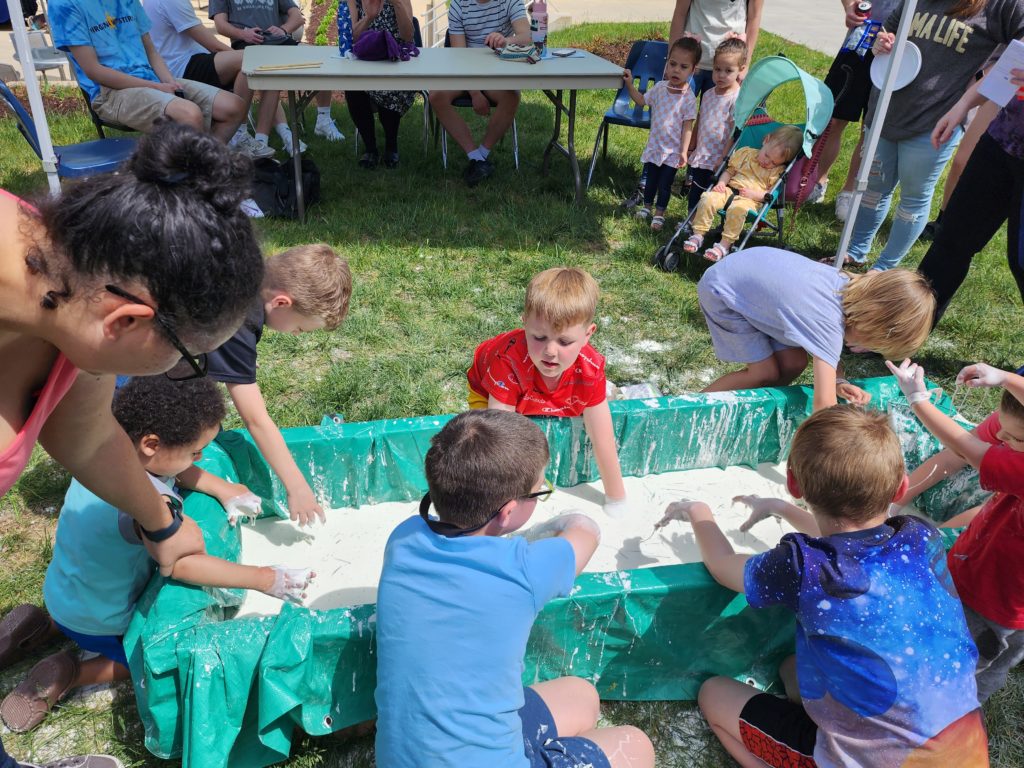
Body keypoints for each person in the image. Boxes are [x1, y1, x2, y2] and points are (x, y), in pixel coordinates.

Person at [0, 121, 264, 768]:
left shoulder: (70, 287)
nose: (181, 377)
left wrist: (161, 519)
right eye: (189, 360)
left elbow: (84, 431)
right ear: (128, 321)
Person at [660, 405, 987, 767]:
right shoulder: (919, 536)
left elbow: (723, 567)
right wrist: (782, 509)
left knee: (714, 694)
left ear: (793, 481)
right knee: (790, 668)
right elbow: (852, 543)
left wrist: (698, 512)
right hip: (963, 751)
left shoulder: (801, 564)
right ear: (902, 486)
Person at [0, 375, 313, 733]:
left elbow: (175, 469)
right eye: (196, 451)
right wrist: (265, 578)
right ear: (152, 444)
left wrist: (224, 488)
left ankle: (42, 627)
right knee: (138, 660)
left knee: (85, 595)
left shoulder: (105, 452)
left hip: (62, 591)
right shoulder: (148, 505)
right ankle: (72, 672)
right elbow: (179, 565)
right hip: (102, 619)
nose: (200, 458)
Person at [374, 409, 655, 768]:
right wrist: (562, 522)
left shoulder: (404, 537)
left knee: (582, 696)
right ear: (507, 513)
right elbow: (586, 533)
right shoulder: (524, 567)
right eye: (540, 489)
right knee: (635, 744)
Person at [839, 0, 1024, 270]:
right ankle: (855, 252)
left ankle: (883, 270)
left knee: (913, 197)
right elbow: (887, 31)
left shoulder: (1002, 5)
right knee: (872, 189)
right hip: (886, 108)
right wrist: (882, 43)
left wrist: (976, 92)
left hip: (936, 120)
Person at [887, 358, 1024, 703]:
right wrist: (1006, 378)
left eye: (1015, 439)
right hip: (985, 567)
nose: (1001, 440)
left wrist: (918, 400)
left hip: (997, 603)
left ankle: (946, 709)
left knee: (967, 661)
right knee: (973, 652)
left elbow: (968, 449)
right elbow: (957, 455)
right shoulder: (1016, 426)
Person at [207, 244, 351, 527]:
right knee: (200, 430)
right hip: (137, 368)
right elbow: (255, 419)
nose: (297, 335)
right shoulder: (239, 319)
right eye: (300, 328)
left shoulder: (245, 269)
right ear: (282, 302)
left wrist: (231, 360)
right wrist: (297, 487)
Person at [466, 267, 629, 517]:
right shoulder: (507, 363)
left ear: (588, 334)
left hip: (545, 389)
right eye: (539, 337)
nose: (550, 351)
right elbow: (501, 439)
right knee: (480, 439)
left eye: (564, 342)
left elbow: (602, 436)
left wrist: (616, 497)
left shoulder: (590, 368)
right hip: (493, 386)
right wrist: (509, 500)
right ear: (524, 324)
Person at [697, 247, 935, 411]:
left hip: (751, 277)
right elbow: (823, 406)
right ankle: (686, 405)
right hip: (725, 291)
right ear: (873, 321)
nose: (864, 349)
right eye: (872, 344)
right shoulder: (827, 321)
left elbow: (828, 356)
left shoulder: (847, 289)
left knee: (794, 362)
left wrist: (839, 381)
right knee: (763, 373)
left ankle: (762, 403)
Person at [49, 0, 246, 142]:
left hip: (152, 80)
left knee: (234, 107)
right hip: (109, 92)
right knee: (189, 115)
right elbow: (94, 71)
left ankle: (202, 168)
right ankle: (197, 184)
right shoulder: (64, 4)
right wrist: (156, 86)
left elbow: (151, 50)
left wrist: (169, 82)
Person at [918, 67, 1024, 322]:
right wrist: (964, 104)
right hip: (1000, 142)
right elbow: (1012, 64)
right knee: (951, 240)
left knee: (1021, 261)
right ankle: (905, 329)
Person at [142, 0, 274, 157]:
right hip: (179, 68)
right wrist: (239, 58)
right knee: (248, 60)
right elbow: (214, 46)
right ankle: (238, 136)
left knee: (248, 62)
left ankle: (244, 137)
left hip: (178, 63)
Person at [209, 0, 345, 151]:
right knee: (254, 70)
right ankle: (248, 135)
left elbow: (296, 16)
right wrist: (243, 34)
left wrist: (284, 29)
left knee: (320, 57)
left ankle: (323, 120)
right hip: (248, 44)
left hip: (280, 41)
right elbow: (220, 24)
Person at [427, 0, 531, 186]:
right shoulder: (459, 5)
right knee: (436, 95)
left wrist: (506, 41)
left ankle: (481, 156)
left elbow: (527, 37)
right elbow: (460, 56)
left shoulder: (511, 1)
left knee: (512, 96)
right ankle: (475, 157)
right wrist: (474, 92)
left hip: (497, 72)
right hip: (464, 70)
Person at [814, 0, 902, 217]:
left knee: (870, 127)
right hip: (861, 39)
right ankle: (817, 180)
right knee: (832, 119)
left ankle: (849, 191)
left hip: (897, 50)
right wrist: (850, 5)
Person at [682, 125, 803, 261]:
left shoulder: (777, 171)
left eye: (773, 162)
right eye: (766, 155)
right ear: (765, 140)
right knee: (707, 198)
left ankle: (724, 245)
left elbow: (769, 194)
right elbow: (729, 172)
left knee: (737, 209)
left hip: (749, 201)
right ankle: (698, 235)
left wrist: (754, 194)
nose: (766, 162)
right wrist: (721, 183)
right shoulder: (745, 153)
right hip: (728, 191)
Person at [622, 36, 699, 231]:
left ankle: (659, 214)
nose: (676, 70)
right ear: (667, 63)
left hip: (672, 152)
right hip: (655, 147)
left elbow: (688, 127)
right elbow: (641, 100)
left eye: (683, 67)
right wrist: (630, 84)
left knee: (665, 185)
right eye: (672, 64)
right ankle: (647, 207)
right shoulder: (659, 89)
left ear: (693, 70)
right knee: (650, 181)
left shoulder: (688, 98)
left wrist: (683, 152)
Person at [345, 0, 416, 169]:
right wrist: (369, 17)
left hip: (395, 57)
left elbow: (408, 36)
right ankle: (370, 149)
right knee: (353, 88)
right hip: (365, 58)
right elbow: (350, 37)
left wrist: (398, 4)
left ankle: (391, 147)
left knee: (391, 86)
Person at [685, 37, 745, 216]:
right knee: (696, 188)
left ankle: (705, 222)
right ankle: (691, 219)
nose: (720, 75)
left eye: (728, 71)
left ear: (740, 70)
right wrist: (692, 145)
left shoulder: (737, 99)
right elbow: (701, 118)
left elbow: (735, 133)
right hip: (703, 153)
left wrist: (724, 158)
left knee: (714, 193)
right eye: (717, 69)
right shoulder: (709, 93)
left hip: (720, 156)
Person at [669, 0, 762, 96]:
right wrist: (672, 57)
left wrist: (745, 64)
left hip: (728, 67)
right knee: (675, 108)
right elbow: (680, 13)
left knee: (718, 110)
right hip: (688, 63)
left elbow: (754, 18)